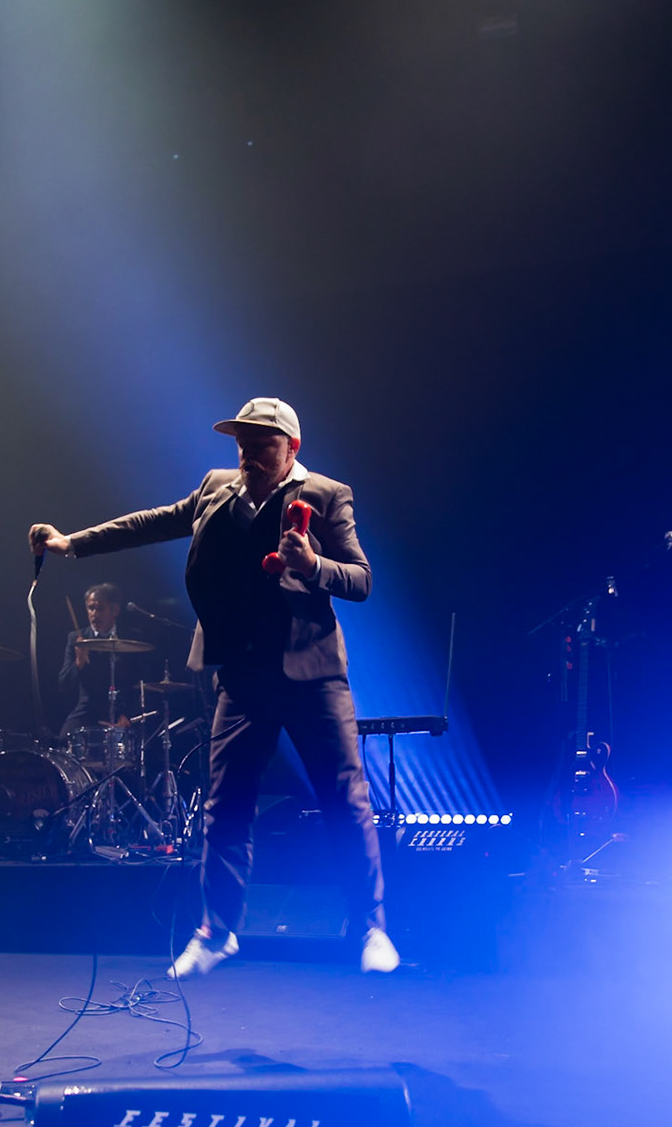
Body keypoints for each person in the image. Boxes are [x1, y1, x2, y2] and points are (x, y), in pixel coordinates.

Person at [30, 398, 397, 976]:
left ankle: (370, 926)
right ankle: (217, 930)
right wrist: (72, 543)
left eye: (262, 443)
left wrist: (312, 566)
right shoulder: (217, 487)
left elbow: (362, 579)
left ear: (292, 449)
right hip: (243, 673)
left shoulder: (326, 496)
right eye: (242, 441)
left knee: (344, 800)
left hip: (312, 673)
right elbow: (154, 521)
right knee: (225, 807)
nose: (248, 452)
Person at [58, 582, 133, 734]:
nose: (94, 614)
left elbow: (137, 683)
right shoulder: (78, 638)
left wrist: (127, 714)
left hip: (121, 712)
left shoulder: (130, 639)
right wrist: (78, 663)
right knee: (64, 738)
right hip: (88, 711)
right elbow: (63, 685)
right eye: (91, 608)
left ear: (115, 610)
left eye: (100, 609)